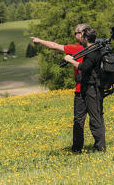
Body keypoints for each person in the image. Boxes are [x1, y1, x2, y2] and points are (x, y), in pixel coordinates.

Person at [31, 23, 92, 153]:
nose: (75, 35)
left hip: (81, 89)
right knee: (97, 117)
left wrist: (39, 41)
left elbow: (54, 46)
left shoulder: (77, 48)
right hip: (96, 88)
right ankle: (100, 147)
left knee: (79, 120)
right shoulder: (96, 46)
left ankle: (76, 149)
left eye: (76, 33)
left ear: (82, 34)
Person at [64, 25, 106, 152]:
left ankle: (100, 148)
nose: (80, 39)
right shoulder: (92, 49)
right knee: (79, 119)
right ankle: (76, 149)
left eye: (81, 36)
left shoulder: (92, 52)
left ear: (86, 38)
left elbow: (84, 67)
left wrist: (71, 60)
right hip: (86, 87)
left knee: (95, 118)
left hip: (92, 89)